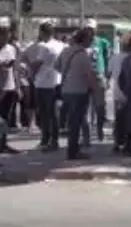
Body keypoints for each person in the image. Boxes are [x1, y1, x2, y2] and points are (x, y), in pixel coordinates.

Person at [57, 29, 99, 160]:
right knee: (76, 122)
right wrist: (96, 90)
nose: (91, 42)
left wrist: (68, 74)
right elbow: (90, 76)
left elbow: (56, 66)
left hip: (66, 90)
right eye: (90, 39)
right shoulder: (83, 55)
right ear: (84, 40)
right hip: (79, 91)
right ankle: (73, 151)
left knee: (72, 121)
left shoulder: (66, 51)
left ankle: (74, 149)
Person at [24, 23, 65, 151]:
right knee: (54, 113)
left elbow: (37, 64)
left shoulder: (43, 46)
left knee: (45, 114)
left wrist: (30, 72)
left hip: (43, 82)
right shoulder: (61, 45)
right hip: (58, 80)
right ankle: (54, 139)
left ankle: (46, 139)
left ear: (42, 32)